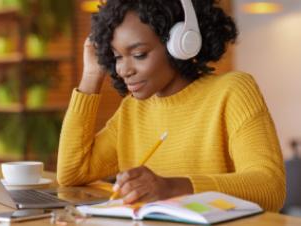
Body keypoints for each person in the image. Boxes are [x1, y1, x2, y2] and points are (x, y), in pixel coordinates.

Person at [57, 0, 285, 212]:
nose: (123, 70)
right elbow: (72, 173)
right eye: (116, 57)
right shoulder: (132, 109)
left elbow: (270, 187)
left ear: (181, 43)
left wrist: (173, 187)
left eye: (139, 54)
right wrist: (91, 75)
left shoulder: (232, 91)